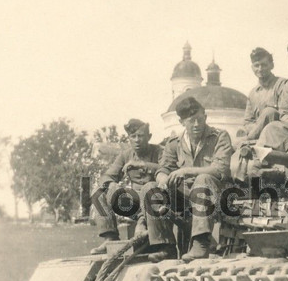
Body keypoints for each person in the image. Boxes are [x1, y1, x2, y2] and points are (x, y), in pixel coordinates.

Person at [138, 96, 233, 262]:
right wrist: (162, 180)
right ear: (182, 122)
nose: (196, 125)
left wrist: (186, 171)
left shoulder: (219, 137)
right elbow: (163, 168)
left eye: (199, 119)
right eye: (191, 121)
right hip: (186, 198)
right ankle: (165, 247)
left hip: (217, 197)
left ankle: (200, 243)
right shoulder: (174, 143)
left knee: (203, 179)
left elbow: (220, 169)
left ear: (205, 116)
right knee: (150, 188)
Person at [90, 118, 161, 254]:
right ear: (129, 138)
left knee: (151, 188)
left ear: (149, 137)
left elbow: (167, 170)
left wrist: (143, 165)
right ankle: (110, 237)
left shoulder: (159, 152)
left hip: (157, 204)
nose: (137, 140)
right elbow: (107, 176)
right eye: (132, 136)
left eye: (140, 136)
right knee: (99, 192)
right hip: (135, 204)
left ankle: (142, 223)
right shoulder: (126, 155)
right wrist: (111, 185)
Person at [240, 48, 285, 141]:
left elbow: (284, 114)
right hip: (259, 137)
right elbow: (247, 122)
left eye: (264, 65)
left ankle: (247, 141)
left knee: (269, 111)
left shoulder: (282, 84)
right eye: (256, 65)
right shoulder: (253, 93)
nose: (260, 69)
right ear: (252, 67)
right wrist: (258, 128)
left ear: (272, 65)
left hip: (277, 135)